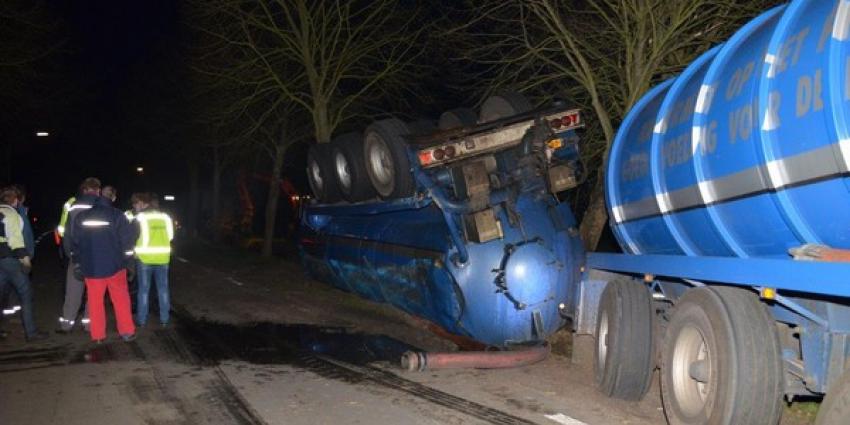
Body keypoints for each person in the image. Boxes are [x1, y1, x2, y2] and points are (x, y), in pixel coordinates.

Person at [70, 178, 136, 343]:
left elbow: (75, 243)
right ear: (113, 198)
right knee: (120, 299)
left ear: (99, 195)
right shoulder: (118, 216)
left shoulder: (82, 216)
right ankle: (127, 331)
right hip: (115, 267)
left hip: (91, 267)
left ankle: (98, 335)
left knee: (94, 301)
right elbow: (127, 244)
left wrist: (77, 262)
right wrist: (128, 264)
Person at [0, 186, 48, 342]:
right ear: (15, 200)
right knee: (26, 295)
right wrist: (26, 261)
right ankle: (31, 333)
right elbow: (16, 241)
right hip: (12, 261)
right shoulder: (12, 215)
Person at [56, 179, 100, 334]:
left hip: (77, 255)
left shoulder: (73, 207)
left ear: (83, 190)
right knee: (94, 293)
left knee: (73, 291)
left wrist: (70, 254)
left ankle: (67, 325)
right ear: (98, 191)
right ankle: (89, 325)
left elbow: (67, 234)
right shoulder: (102, 207)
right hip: (96, 257)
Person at [132, 193, 174, 327]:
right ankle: (165, 319)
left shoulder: (140, 217)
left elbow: (133, 237)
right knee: (163, 289)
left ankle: (142, 320)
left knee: (144, 290)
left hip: (145, 258)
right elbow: (171, 236)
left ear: (145, 204)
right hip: (163, 258)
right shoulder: (166, 217)